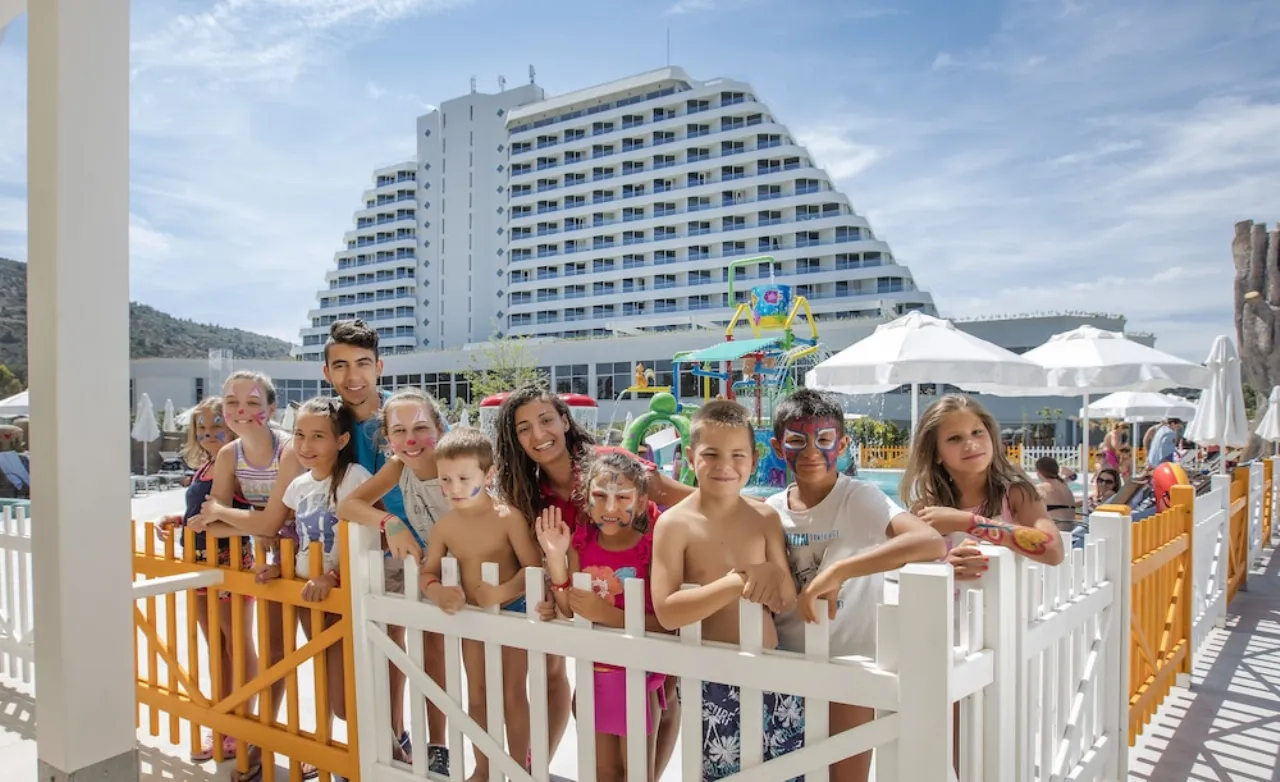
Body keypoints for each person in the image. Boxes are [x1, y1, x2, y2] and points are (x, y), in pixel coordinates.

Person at [494, 384, 690, 772]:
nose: (538, 434)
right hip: (598, 607)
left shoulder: (611, 463)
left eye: (546, 420)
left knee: (662, 693)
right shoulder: (532, 494)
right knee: (596, 700)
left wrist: (750, 514)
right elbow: (548, 557)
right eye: (524, 428)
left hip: (650, 583)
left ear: (564, 421)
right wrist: (553, 587)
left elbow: (680, 497)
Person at [765, 389, 944, 782]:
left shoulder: (859, 496)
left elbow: (929, 541)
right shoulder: (770, 510)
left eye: (824, 439)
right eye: (798, 440)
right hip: (785, 666)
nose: (812, 451)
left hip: (850, 665)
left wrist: (839, 570)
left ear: (842, 444)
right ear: (778, 446)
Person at [649, 400, 803, 782]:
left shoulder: (764, 516)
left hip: (773, 668)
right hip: (712, 678)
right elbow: (667, 610)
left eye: (737, 454)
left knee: (790, 772)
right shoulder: (675, 524)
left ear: (754, 457)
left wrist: (767, 579)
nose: (724, 466)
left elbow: (784, 597)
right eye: (711, 454)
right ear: (689, 456)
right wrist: (738, 581)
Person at [190, 371, 301, 781]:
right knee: (274, 653)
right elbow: (211, 524)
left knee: (309, 653)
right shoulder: (228, 455)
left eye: (253, 403)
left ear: (271, 410)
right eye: (232, 403)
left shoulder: (288, 451)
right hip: (268, 561)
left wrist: (226, 514)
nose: (241, 410)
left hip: (307, 558)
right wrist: (250, 523)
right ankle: (261, 739)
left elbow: (270, 519)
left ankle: (310, 746)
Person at [322, 319, 423, 766]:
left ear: (379, 366)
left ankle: (393, 744)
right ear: (327, 372)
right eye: (340, 365)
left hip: (409, 552)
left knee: (394, 652)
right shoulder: (329, 423)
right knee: (352, 665)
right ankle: (372, 747)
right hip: (348, 554)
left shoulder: (400, 418)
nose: (352, 376)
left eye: (362, 363)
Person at [535, 451, 669, 782]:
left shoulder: (651, 549)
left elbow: (668, 626)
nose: (610, 508)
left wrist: (608, 615)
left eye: (622, 497)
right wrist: (556, 560)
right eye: (600, 496)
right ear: (586, 499)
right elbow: (569, 609)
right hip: (592, 680)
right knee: (603, 773)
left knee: (638, 774)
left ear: (639, 503)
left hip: (638, 684)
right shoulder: (580, 545)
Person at [337, 386, 452, 773]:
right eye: (398, 431)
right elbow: (348, 504)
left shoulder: (455, 462)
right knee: (420, 650)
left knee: (473, 669)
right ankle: (428, 744)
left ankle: (444, 745)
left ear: (439, 427)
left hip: (469, 572)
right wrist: (391, 522)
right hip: (428, 575)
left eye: (420, 427)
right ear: (386, 440)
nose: (411, 439)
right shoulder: (398, 466)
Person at [418, 428, 542, 782]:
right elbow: (426, 572)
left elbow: (534, 568)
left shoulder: (508, 518)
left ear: (489, 475)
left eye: (463, 478)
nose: (453, 487)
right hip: (472, 617)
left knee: (513, 692)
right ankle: (485, 768)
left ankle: (518, 768)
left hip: (512, 611)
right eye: (445, 479)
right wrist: (437, 591)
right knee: (477, 694)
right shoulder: (444, 527)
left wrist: (502, 592)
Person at [154, 397, 256, 762]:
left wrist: (209, 522)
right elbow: (198, 513)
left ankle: (246, 723)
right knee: (216, 647)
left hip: (230, 562)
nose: (210, 433)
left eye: (217, 426)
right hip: (198, 562)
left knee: (237, 647)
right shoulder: (206, 467)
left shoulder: (240, 466)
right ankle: (226, 722)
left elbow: (246, 514)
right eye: (203, 428)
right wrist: (178, 520)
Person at [900, 395, 1066, 581]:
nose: (971, 444)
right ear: (936, 453)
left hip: (1006, 608)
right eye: (955, 438)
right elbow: (907, 570)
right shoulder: (926, 509)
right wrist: (944, 566)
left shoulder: (1015, 495)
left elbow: (1053, 551)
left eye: (977, 432)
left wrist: (969, 522)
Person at [281, 396, 371, 730]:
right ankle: (334, 755)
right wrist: (282, 567)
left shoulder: (356, 478)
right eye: (299, 434)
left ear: (342, 440)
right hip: (310, 597)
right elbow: (296, 537)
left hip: (345, 596)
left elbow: (369, 540)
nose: (306, 444)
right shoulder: (297, 486)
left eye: (318, 435)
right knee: (326, 681)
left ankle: (389, 754)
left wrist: (333, 576)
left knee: (348, 696)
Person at [1034, 456, 1078, 532]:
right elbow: (1073, 476)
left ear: (1038, 473)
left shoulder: (1041, 489)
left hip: (1055, 533)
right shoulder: (1064, 484)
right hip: (1071, 532)